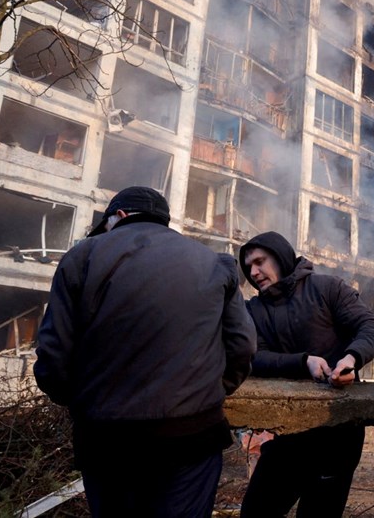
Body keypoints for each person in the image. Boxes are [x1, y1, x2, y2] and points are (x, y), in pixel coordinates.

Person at [34, 186, 257, 517]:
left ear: (119, 215)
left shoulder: (82, 256)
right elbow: (242, 346)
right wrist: (204, 391)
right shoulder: (214, 262)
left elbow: (53, 356)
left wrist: (86, 402)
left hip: (106, 441)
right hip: (192, 436)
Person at [238, 231, 374, 518]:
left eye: (259, 262)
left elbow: (371, 327)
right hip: (289, 432)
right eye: (248, 267)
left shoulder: (327, 288)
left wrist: (351, 359)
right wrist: (302, 362)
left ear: (280, 257)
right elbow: (255, 357)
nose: (253, 272)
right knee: (256, 511)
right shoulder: (253, 310)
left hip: (339, 429)